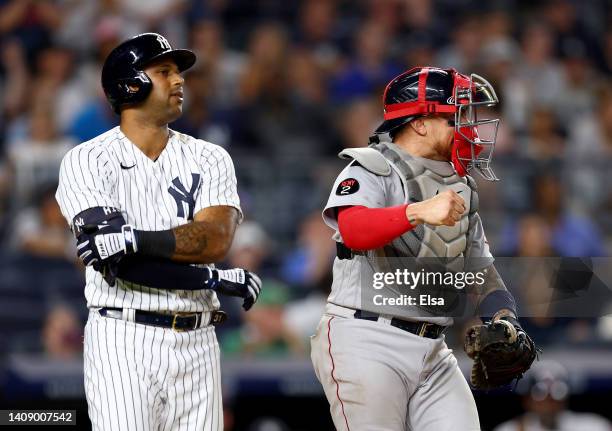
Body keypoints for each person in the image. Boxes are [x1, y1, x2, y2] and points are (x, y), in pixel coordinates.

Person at [310, 66, 536, 430]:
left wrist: (504, 318)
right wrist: (417, 212)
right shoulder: (373, 166)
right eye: (456, 116)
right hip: (366, 339)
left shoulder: (460, 186)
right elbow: (353, 229)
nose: (468, 127)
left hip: (433, 347)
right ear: (419, 123)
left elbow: (480, 270)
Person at [55, 33, 261, 431]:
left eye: (178, 72)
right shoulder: (87, 160)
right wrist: (212, 277)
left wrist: (135, 239)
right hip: (124, 337)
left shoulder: (210, 157)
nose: (179, 80)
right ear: (129, 84)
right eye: (164, 71)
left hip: (199, 340)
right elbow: (118, 264)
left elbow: (215, 240)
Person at [494, 361, 611, 431]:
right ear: (527, 400)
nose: (549, 405)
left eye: (554, 398)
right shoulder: (509, 429)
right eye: (542, 398)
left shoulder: (592, 426)